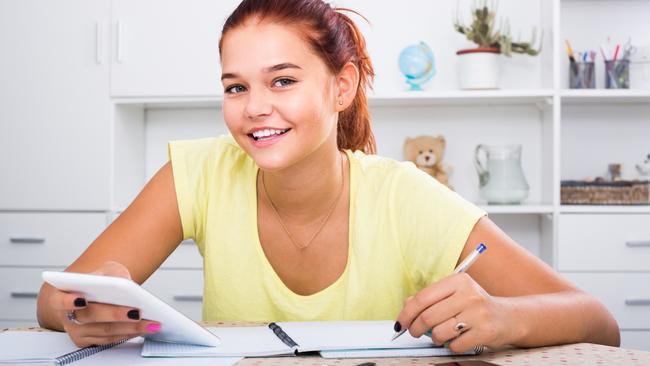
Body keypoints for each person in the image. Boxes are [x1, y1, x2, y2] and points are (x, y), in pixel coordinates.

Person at [36, 0, 620, 352]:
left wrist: (504, 315)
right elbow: (51, 298)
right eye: (236, 86)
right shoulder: (199, 172)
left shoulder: (404, 195)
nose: (254, 107)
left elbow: (598, 321)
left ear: (341, 87)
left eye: (282, 80)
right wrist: (82, 306)